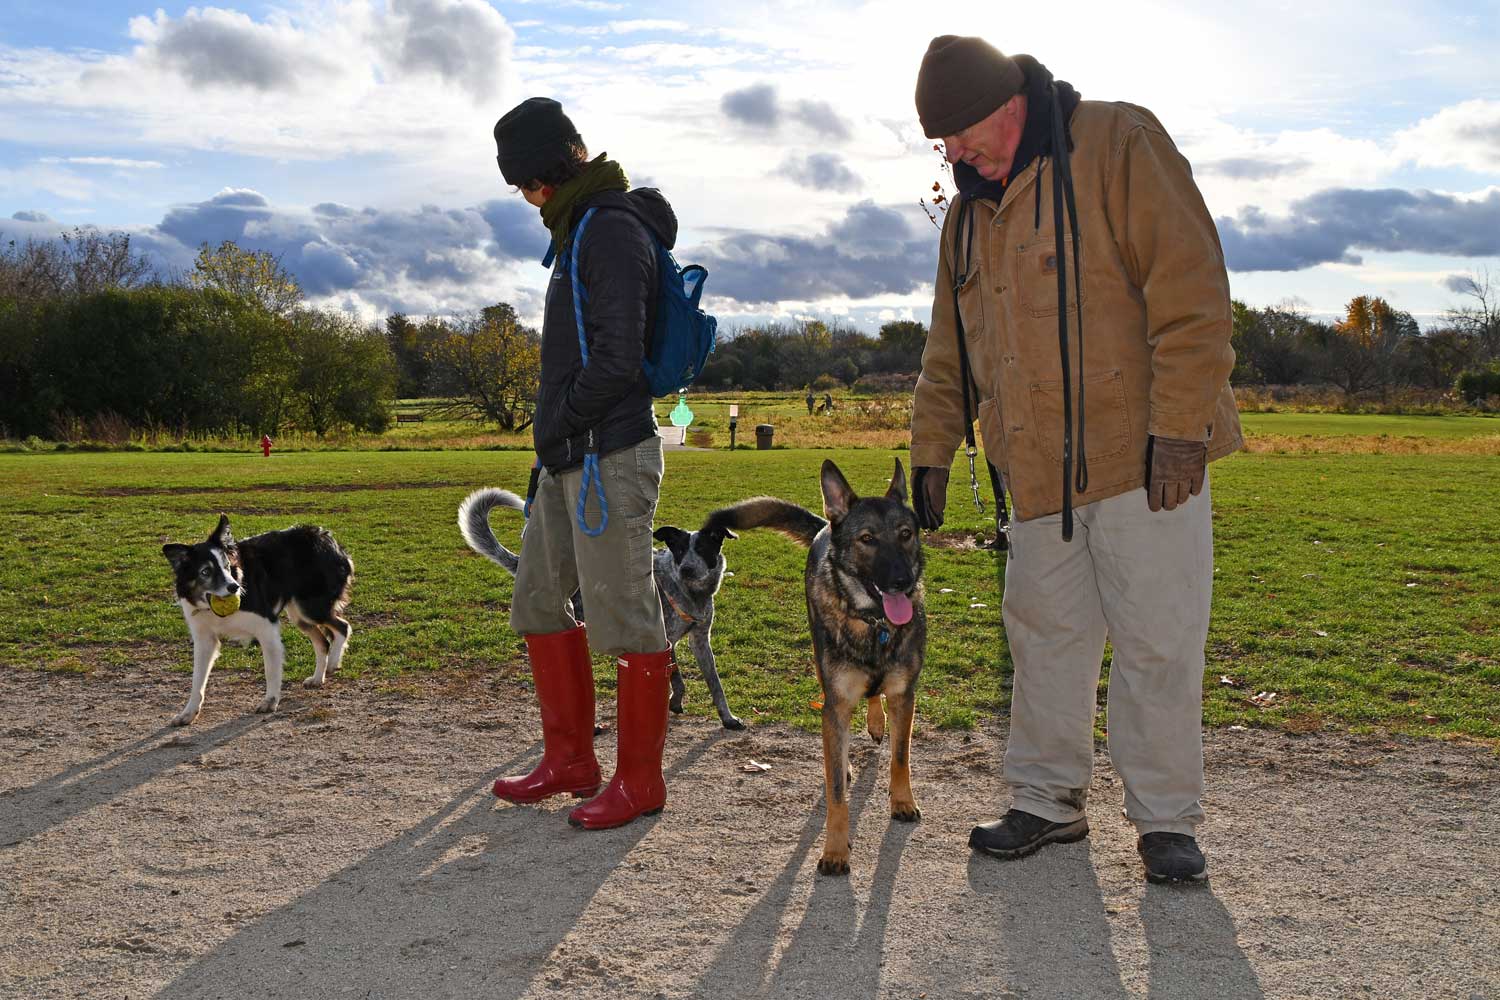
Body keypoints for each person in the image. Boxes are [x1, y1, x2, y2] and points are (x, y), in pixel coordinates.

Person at [908, 36, 1243, 883]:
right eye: (939, 143)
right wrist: (932, 452)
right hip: (1032, 473)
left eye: (961, 135)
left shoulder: (1119, 144)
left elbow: (1193, 295)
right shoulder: (965, 220)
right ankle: (1046, 802)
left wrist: (1179, 430)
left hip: (1144, 463)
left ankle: (1166, 820)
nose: (953, 155)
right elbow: (948, 352)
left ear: (1007, 103)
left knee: (1156, 644)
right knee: (1043, 639)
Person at [489, 97, 676, 830]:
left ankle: (640, 782)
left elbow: (618, 361)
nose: (526, 199)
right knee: (538, 600)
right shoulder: (576, 228)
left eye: (525, 184)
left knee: (626, 617)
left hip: (611, 454)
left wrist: (556, 423)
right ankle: (570, 760)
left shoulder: (610, 227)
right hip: (568, 456)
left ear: (551, 171)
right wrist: (552, 438)